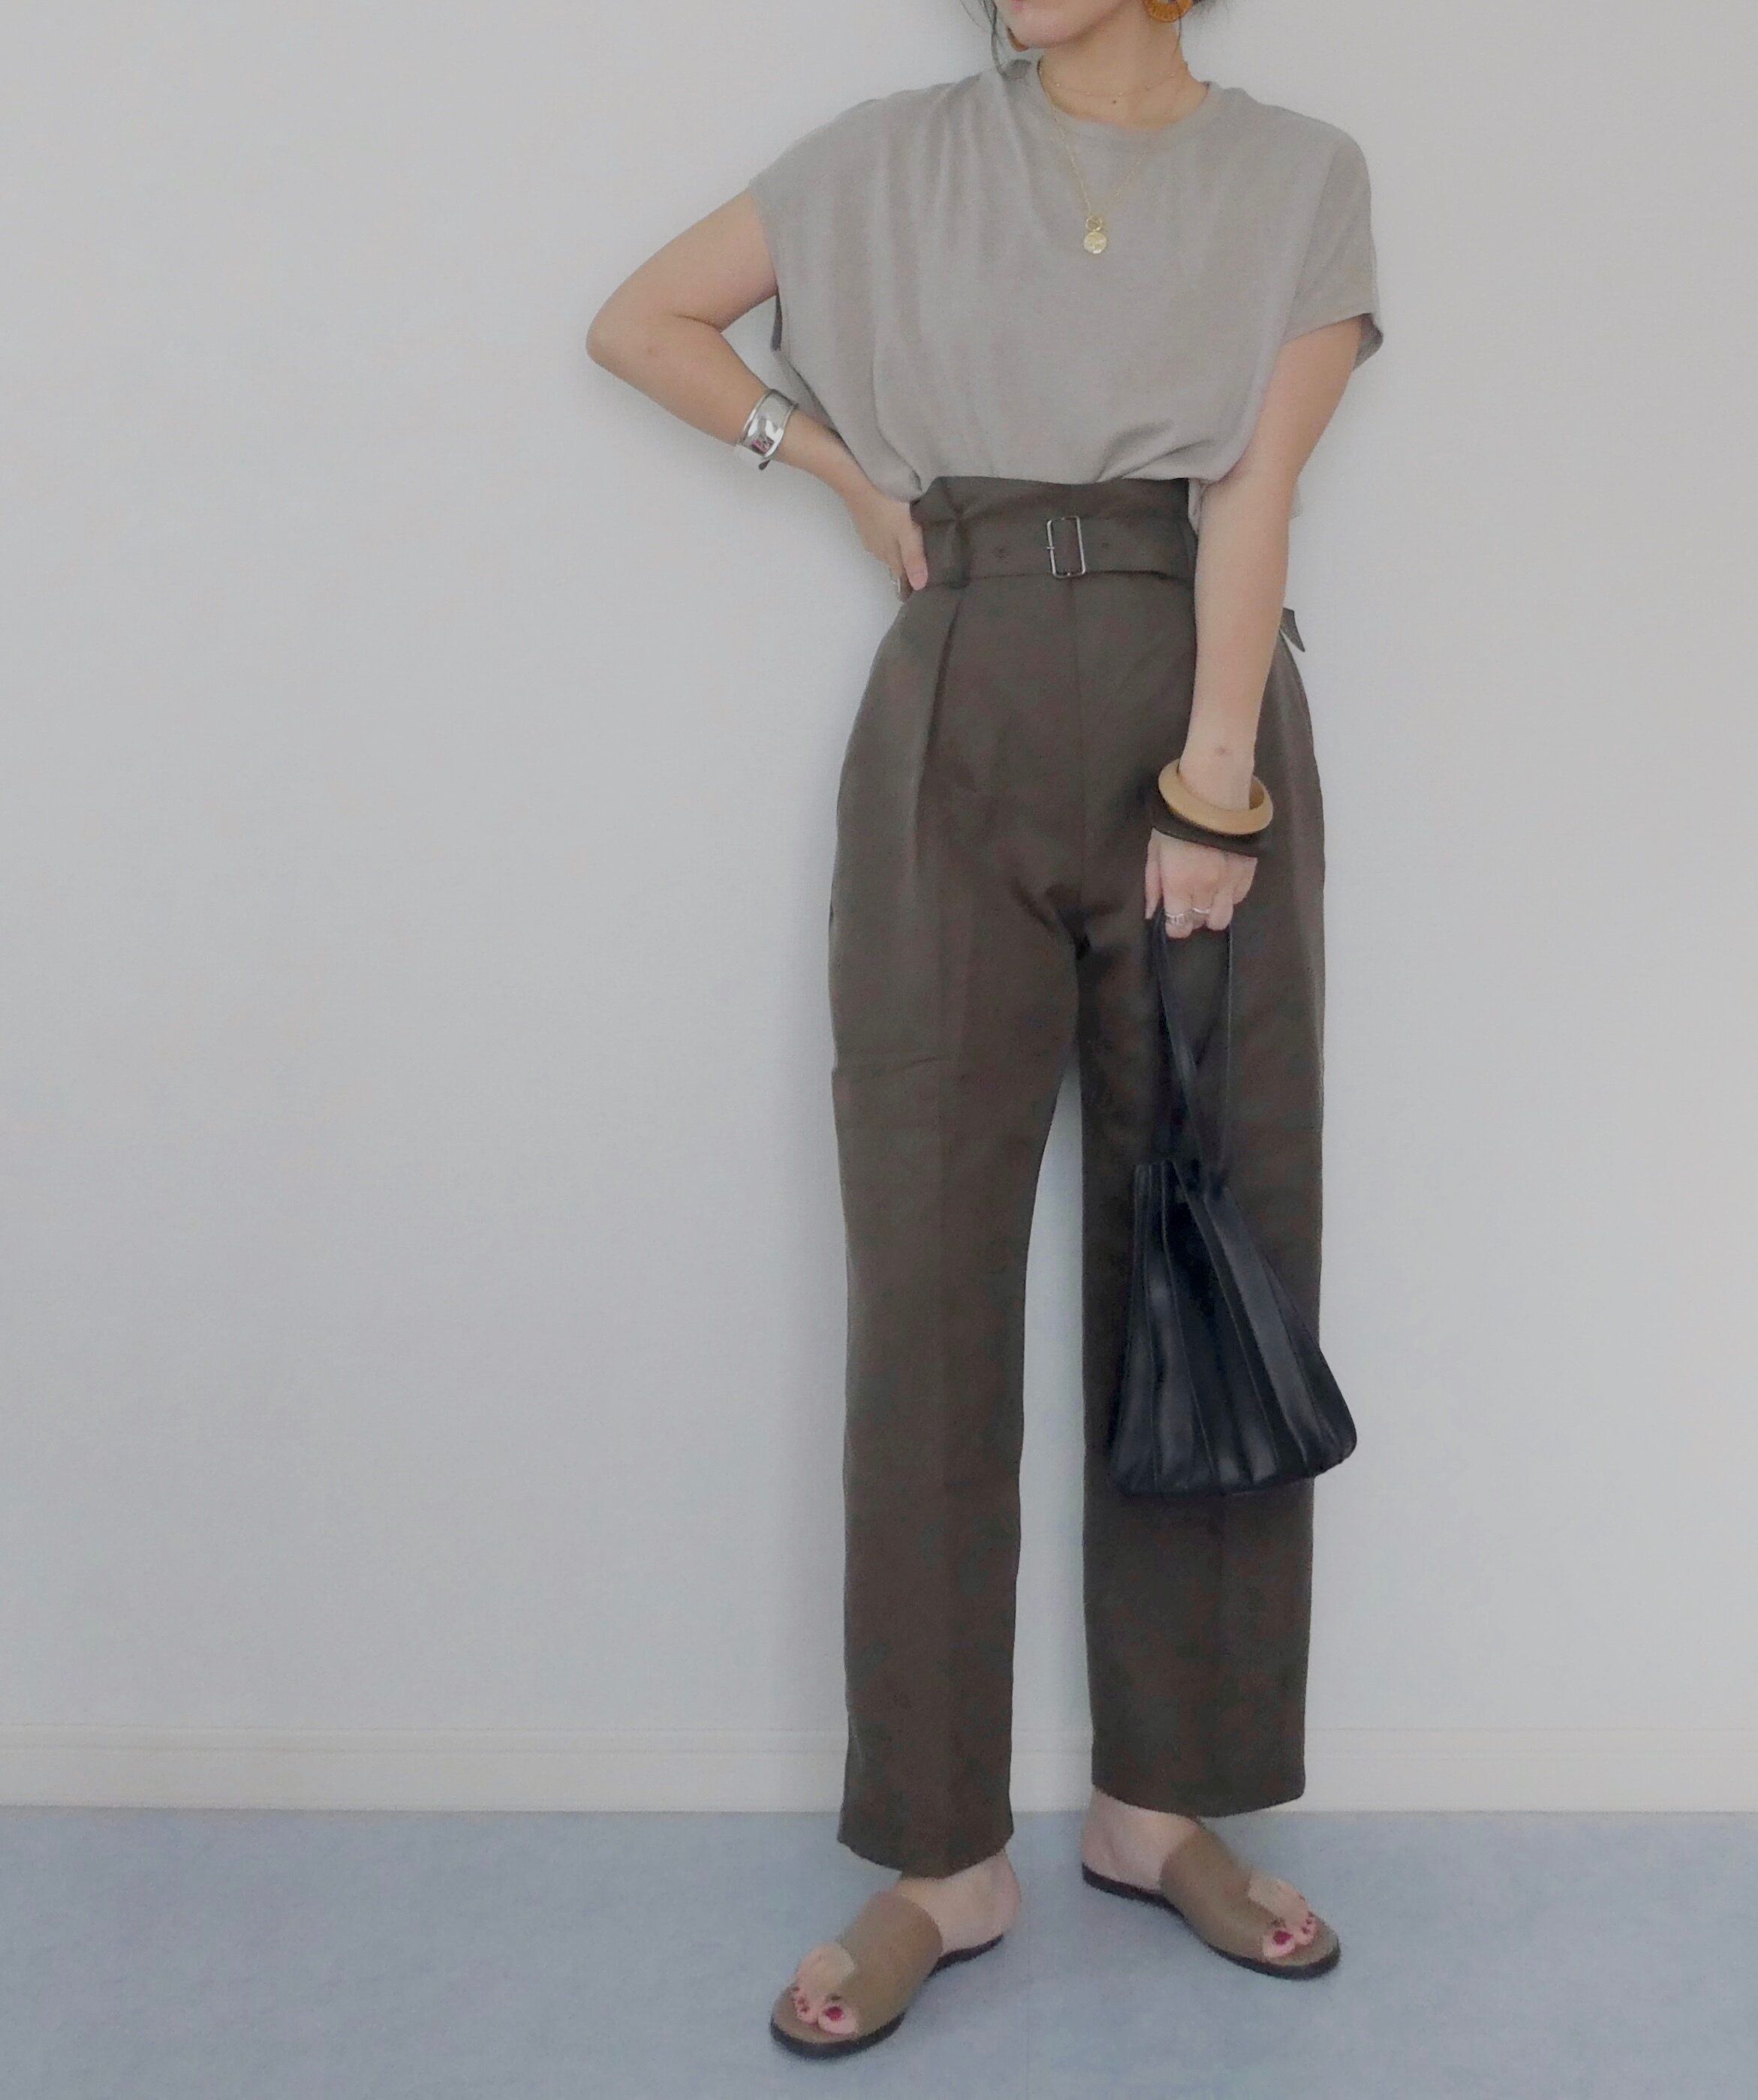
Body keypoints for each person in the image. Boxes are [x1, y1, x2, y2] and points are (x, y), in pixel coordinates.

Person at [587, 0, 1382, 2059]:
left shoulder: (1299, 176)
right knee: (926, 1279)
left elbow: (1259, 487)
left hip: (1198, 705)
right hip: (951, 708)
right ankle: (942, 1853)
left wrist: (1219, 781)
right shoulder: (886, 155)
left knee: (1208, 1250)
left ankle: (1163, 1804)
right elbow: (642, 321)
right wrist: (834, 468)